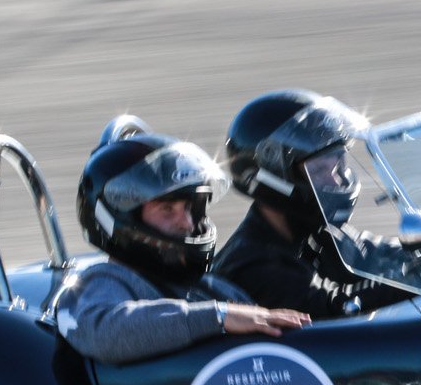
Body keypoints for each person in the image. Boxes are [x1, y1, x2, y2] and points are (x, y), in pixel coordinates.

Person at [55, 131, 309, 364]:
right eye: (167, 209)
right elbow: (105, 334)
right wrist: (218, 317)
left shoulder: (213, 288)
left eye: (190, 207)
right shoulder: (103, 281)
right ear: (123, 217)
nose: (186, 223)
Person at [210, 89, 421, 319]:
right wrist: (420, 278)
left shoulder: (316, 234)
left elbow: (383, 254)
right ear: (274, 178)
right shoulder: (251, 264)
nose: (336, 181)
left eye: (338, 165)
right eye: (320, 170)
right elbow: (335, 306)